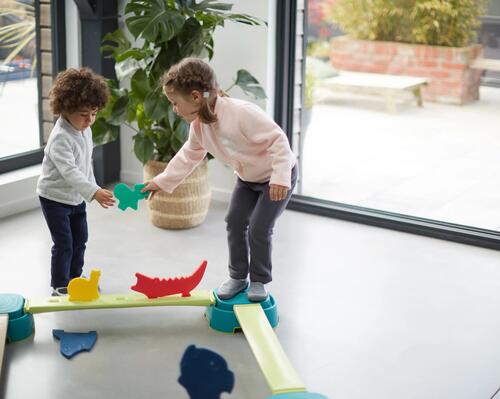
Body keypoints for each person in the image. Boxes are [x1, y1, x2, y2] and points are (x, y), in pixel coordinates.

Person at [143, 58, 297, 302]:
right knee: (234, 222)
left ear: (195, 96)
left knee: (259, 229)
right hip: (247, 179)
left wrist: (280, 178)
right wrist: (161, 181)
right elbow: (188, 156)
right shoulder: (199, 126)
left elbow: (278, 140)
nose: (174, 109)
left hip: (276, 177)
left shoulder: (241, 113)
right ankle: (238, 277)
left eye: (175, 103)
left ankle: (258, 281)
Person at [37, 67, 115, 296]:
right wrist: (93, 192)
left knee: (80, 239)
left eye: (94, 113)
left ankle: (75, 278)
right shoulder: (60, 138)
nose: (90, 119)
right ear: (66, 108)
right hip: (54, 198)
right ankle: (60, 284)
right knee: (64, 243)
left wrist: (95, 188)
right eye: (83, 114)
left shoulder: (84, 130)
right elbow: (70, 172)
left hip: (76, 197)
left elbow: (85, 165)